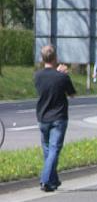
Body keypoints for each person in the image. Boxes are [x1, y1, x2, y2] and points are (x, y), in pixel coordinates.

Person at [34, 44, 76, 192]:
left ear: (42, 58)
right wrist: (63, 74)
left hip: (42, 116)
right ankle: (45, 180)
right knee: (54, 150)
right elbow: (71, 94)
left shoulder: (37, 76)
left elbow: (47, 85)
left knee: (47, 149)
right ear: (55, 58)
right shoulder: (62, 77)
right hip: (59, 117)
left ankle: (53, 180)